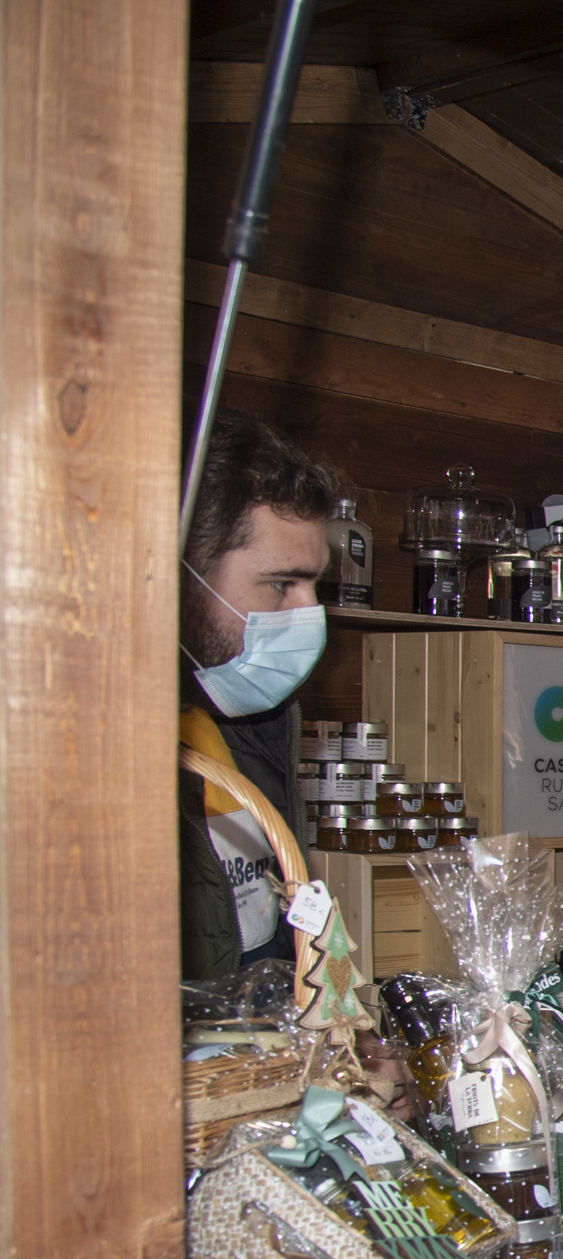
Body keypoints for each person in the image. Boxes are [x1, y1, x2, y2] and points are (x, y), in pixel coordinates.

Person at [180, 410, 344, 980]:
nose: (309, 614)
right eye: (282, 583)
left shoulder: (250, 717)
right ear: (182, 573)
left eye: (316, 584)